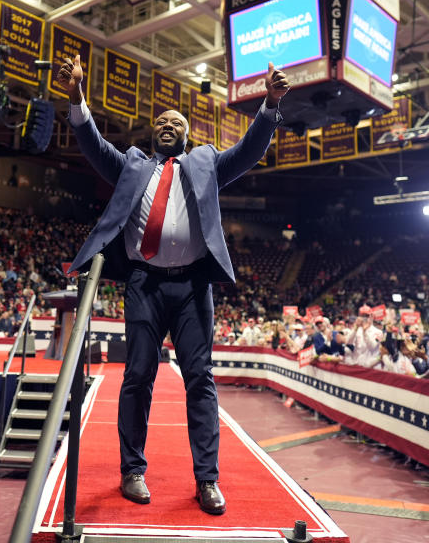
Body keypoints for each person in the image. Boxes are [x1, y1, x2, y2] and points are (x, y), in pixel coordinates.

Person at [56, 53, 289, 515]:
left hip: (192, 288)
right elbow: (94, 145)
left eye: (175, 121)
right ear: (152, 133)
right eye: (160, 121)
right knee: (137, 375)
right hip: (144, 283)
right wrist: (77, 96)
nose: (167, 125)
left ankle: (207, 480)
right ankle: (132, 471)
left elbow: (247, 151)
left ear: (187, 134)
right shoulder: (133, 166)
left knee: (200, 379)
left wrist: (270, 105)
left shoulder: (206, 163)